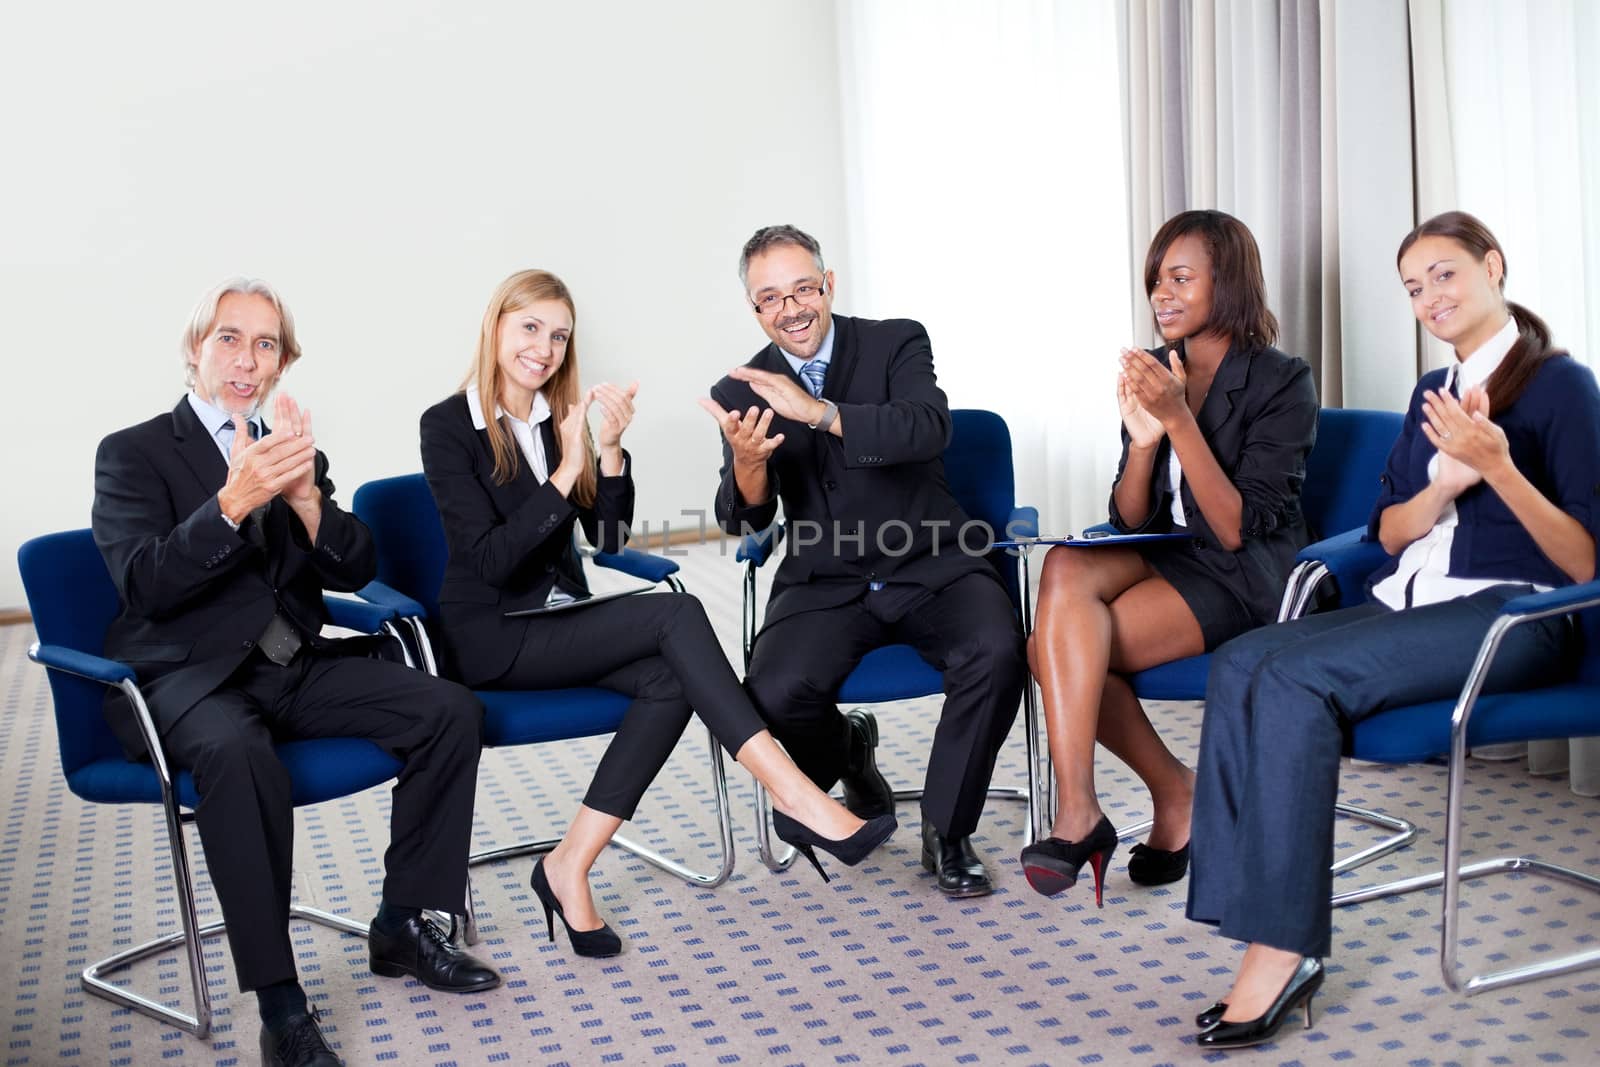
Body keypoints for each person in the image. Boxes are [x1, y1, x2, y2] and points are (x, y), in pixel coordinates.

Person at [1185, 211, 1600, 1049]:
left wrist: (1498, 469)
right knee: (1240, 662)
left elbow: (1586, 559)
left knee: (1298, 680)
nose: (1430, 298)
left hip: (1516, 616)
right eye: (1414, 287)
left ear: (1494, 267)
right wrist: (1444, 488)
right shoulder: (1430, 394)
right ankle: (1254, 916)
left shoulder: (1562, 387)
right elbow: (1388, 531)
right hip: (1414, 600)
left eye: (1445, 274)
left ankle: (1284, 947)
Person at [420, 269, 894, 954]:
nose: (545, 348)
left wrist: (607, 452)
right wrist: (564, 470)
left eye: (558, 335)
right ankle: (796, 793)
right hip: (488, 636)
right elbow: (492, 561)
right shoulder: (448, 426)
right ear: (496, 327)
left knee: (669, 681)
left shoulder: (561, 422)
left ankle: (567, 865)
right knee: (677, 616)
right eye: (530, 328)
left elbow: (609, 540)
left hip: (554, 623)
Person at [92, 278, 500, 1067]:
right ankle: (281, 1007)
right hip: (189, 681)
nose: (248, 359)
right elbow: (143, 584)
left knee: (451, 710)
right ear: (194, 350)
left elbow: (357, 562)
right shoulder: (133, 451)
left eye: (266, 343)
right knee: (239, 758)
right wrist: (230, 506)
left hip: (292, 663)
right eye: (229, 338)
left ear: (283, 361)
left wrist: (308, 499)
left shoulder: (290, 446)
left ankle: (403, 923)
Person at [699, 224, 1028, 898]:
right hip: (826, 577)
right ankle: (849, 748)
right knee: (773, 691)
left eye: (802, 289)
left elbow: (926, 425)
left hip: (933, 559)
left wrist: (818, 413)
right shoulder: (739, 389)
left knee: (996, 651)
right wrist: (749, 466)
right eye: (770, 299)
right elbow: (745, 518)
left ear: (828, 285)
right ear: (754, 309)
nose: (790, 309)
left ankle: (948, 828)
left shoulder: (896, 340)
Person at [1020, 210, 1318, 904]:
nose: (1162, 293)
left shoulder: (1282, 381)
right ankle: (1109, 801)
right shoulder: (1158, 368)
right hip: (1170, 549)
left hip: (1244, 573)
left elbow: (1238, 527)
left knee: (1049, 650)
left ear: (1229, 281)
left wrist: (1180, 420)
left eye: (1181, 277)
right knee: (1064, 564)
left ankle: (1116, 808)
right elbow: (1130, 516)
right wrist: (1145, 438)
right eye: (1157, 279)